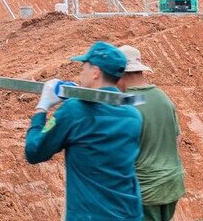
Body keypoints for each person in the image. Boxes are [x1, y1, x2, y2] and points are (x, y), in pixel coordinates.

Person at [25, 41, 143, 221]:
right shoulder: (133, 115)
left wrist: (42, 107)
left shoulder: (75, 110)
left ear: (95, 72)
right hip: (129, 213)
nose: (81, 72)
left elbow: (34, 151)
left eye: (84, 67)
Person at [117, 45, 185, 221]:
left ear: (119, 73)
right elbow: (177, 138)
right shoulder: (162, 97)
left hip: (145, 190)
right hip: (171, 185)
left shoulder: (125, 102)